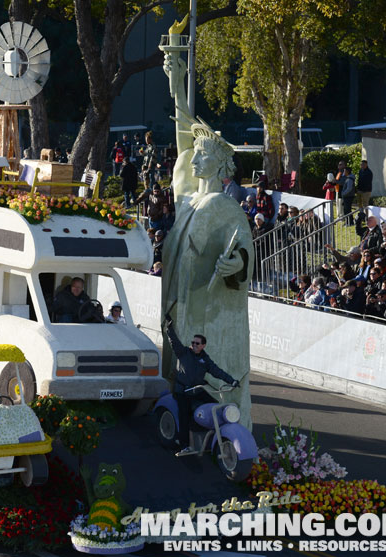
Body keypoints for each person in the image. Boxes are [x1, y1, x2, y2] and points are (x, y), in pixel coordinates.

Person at [161, 47, 253, 430]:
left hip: (208, 313)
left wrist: (237, 265)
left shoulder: (224, 205)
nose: (193, 160)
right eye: (196, 155)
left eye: (201, 156)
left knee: (200, 367)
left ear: (218, 162)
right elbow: (185, 133)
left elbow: (243, 247)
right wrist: (176, 84)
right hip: (182, 303)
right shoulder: (189, 200)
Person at [163, 317, 238, 455]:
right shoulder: (184, 352)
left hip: (197, 390)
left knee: (215, 406)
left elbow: (217, 371)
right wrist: (169, 328)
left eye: (197, 343)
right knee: (184, 414)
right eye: (193, 342)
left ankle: (213, 435)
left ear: (203, 345)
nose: (194, 345)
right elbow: (173, 341)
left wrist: (232, 381)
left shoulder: (205, 359)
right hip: (183, 391)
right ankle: (184, 445)